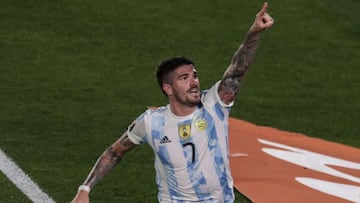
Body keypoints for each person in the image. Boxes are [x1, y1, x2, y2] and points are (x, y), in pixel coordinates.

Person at [71, 2, 273, 203]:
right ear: (168, 88)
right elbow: (115, 153)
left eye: (195, 75)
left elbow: (237, 70)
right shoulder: (152, 122)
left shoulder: (214, 105)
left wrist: (254, 33)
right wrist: (85, 188)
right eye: (184, 78)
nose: (194, 82)